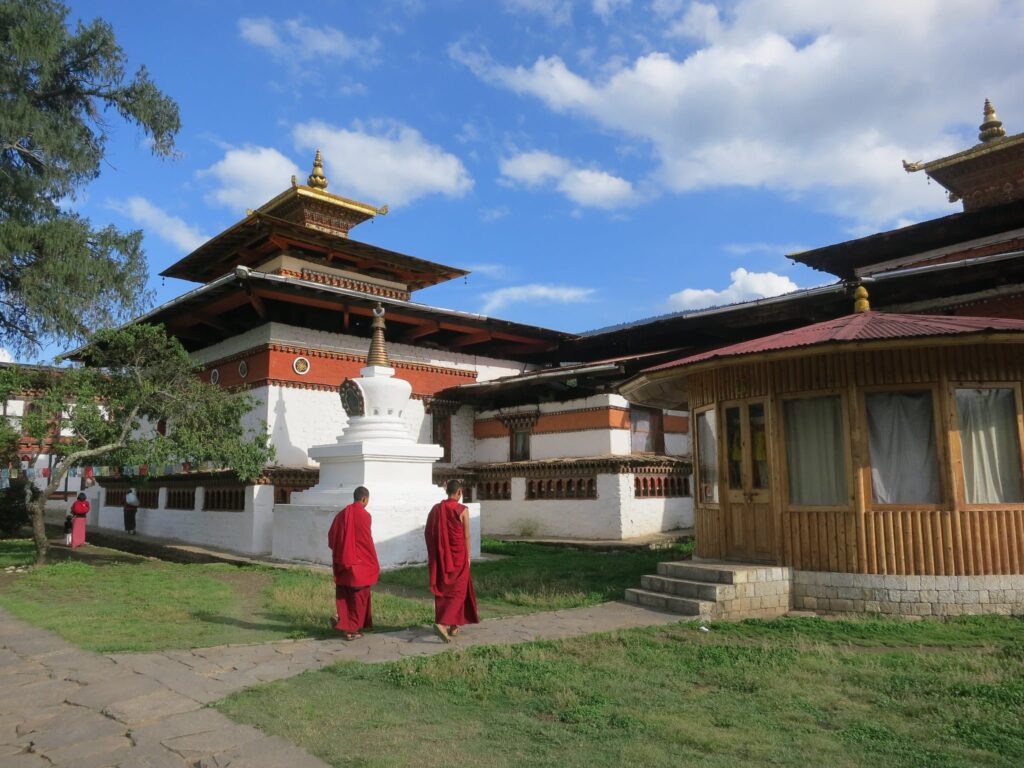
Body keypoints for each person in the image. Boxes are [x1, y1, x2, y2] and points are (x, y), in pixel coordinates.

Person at [425, 479, 479, 642]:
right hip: (458, 556)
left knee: (445, 588)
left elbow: (429, 532)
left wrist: (436, 553)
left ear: (447, 491)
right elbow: (466, 535)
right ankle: (442, 623)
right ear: (459, 493)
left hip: (442, 557)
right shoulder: (463, 510)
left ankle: (454, 625)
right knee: (459, 591)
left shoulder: (436, 509)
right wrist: (468, 555)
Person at [327, 486, 379, 641]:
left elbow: (332, 538)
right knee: (359, 597)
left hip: (344, 563)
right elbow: (366, 541)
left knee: (345, 596)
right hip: (360, 564)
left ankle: (344, 623)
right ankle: (352, 629)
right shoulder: (365, 516)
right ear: (364, 499)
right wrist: (372, 561)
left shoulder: (341, 515)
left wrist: (342, 552)